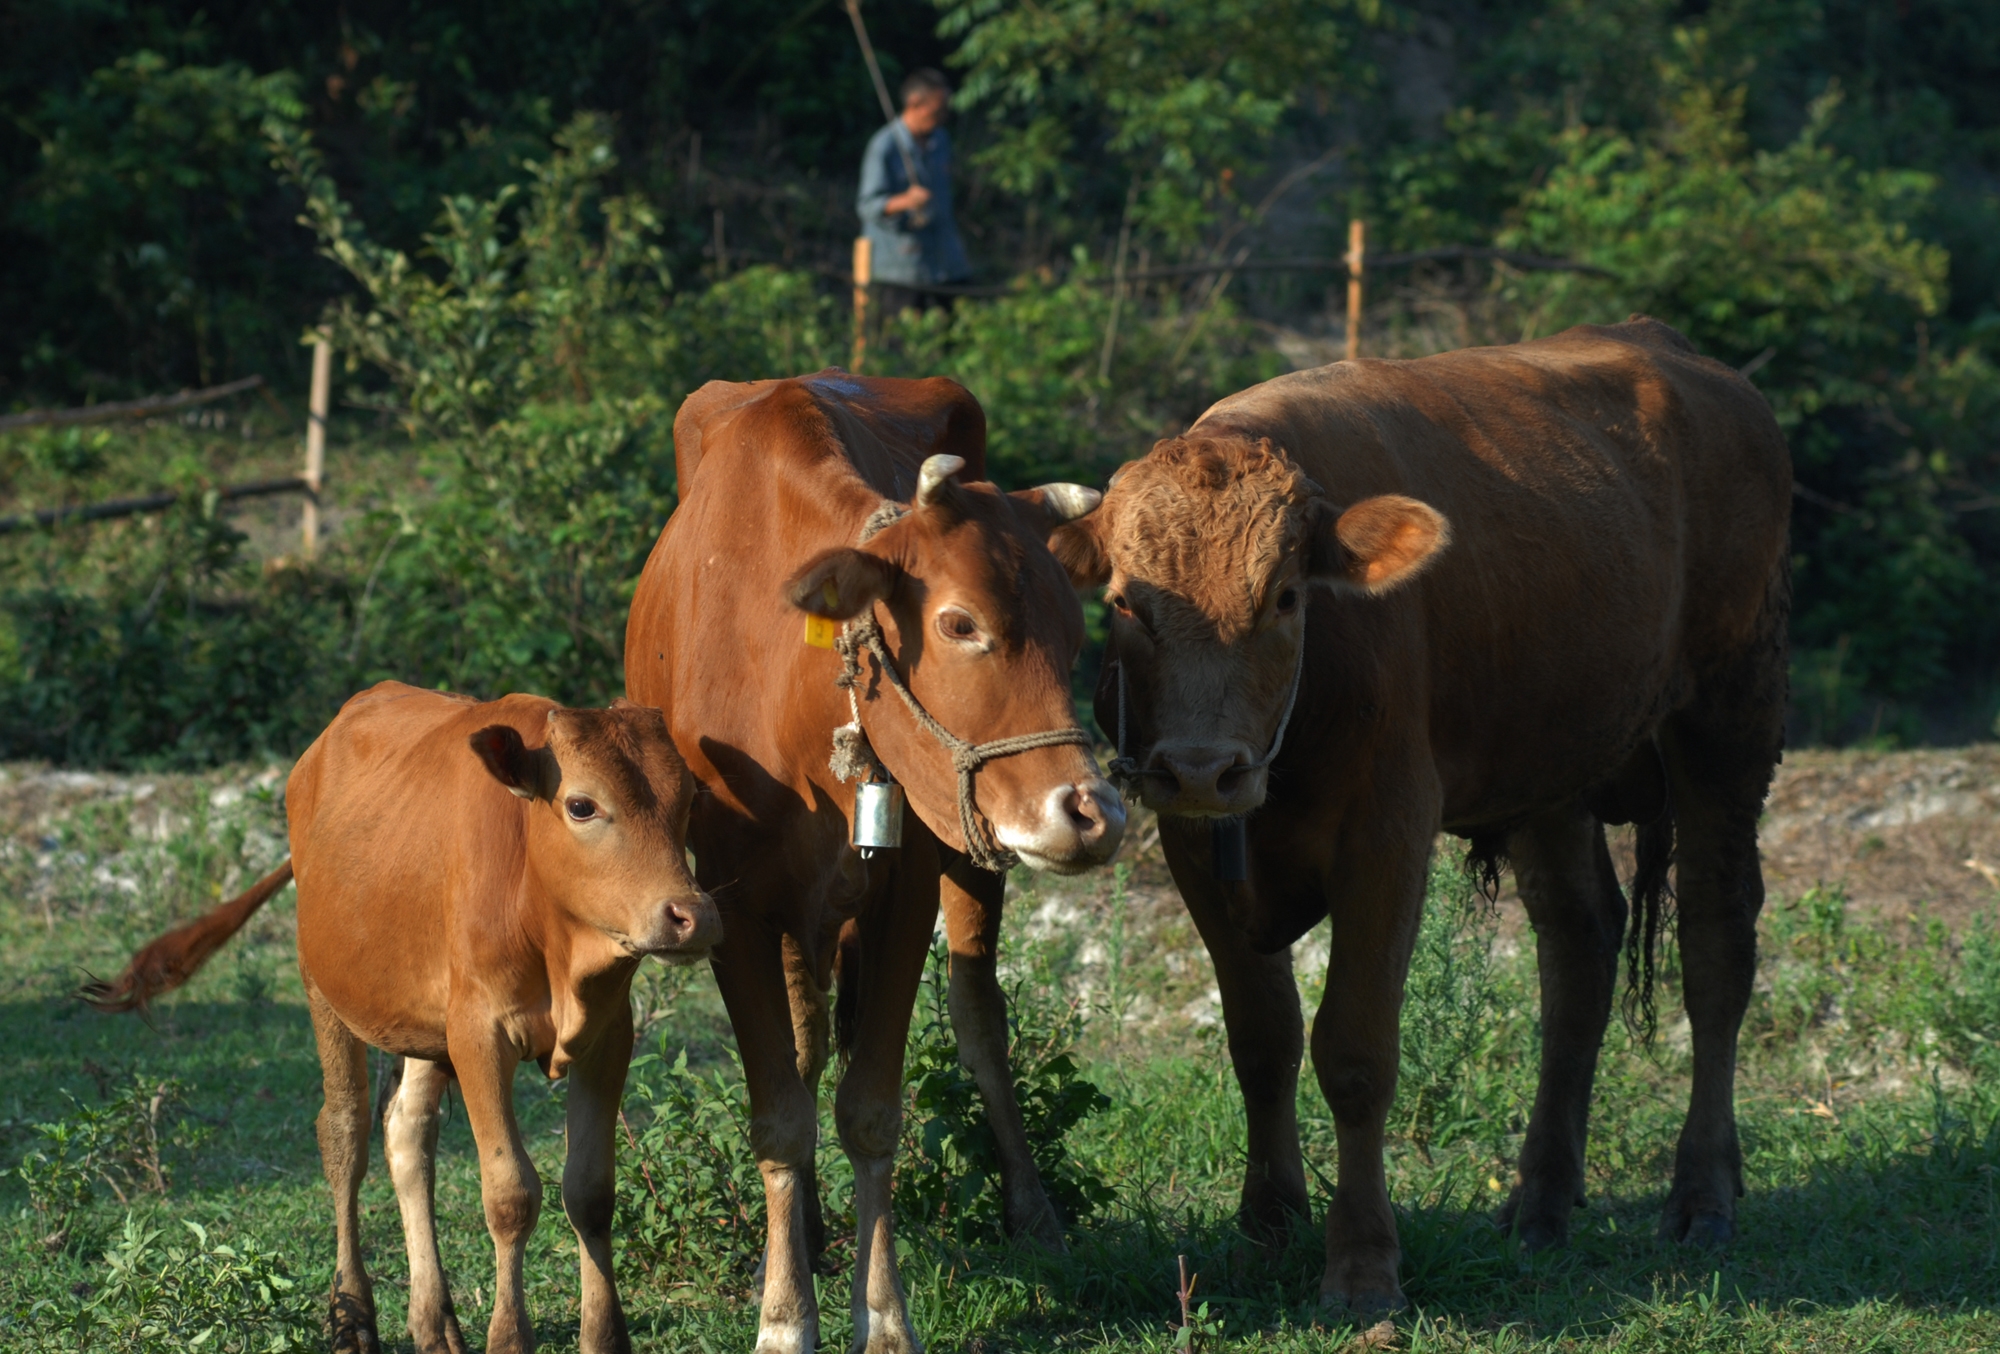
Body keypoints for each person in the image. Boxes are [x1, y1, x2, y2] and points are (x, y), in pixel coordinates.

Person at [856, 68, 970, 314]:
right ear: (915, 104)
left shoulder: (941, 139)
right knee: (900, 345)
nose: (943, 116)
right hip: (901, 269)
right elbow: (867, 206)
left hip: (944, 264)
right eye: (938, 110)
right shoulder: (883, 146)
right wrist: (905, 201)